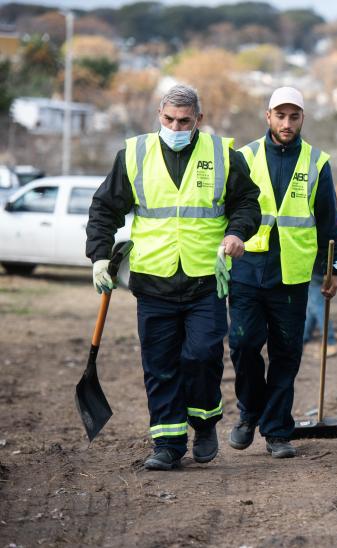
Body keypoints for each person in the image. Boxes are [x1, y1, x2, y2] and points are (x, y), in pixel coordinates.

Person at [85, 84, 261, 471]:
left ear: (199, 119)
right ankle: (167, 443)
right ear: (158, 117)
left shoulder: (222, 156)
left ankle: (204, 422)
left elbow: (248, 203)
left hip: (205, 279)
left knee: (201, 356)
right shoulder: (133, 155)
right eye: (168, 119)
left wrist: (236, 233)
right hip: (154, 278)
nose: (176, 127)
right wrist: (99, 255)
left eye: (184, 121)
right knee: (160, 364)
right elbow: (104, 209)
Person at [227, 86, 337, 459]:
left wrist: (332, 270)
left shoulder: (317, 162)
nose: (287, 123)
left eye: (294, 116)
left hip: (293, 275)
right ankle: (249, 413)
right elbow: (229, 211)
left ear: (302, 119)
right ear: (268, 117)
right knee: (244, 346)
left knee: (286, 354)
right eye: (280, 115)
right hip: (247, 269)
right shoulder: (244, 157)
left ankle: (277, 430)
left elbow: (329, 222)